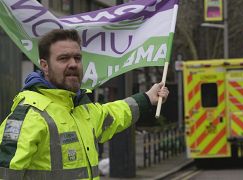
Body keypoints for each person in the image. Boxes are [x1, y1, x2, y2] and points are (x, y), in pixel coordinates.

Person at [0, 29, 169, 180]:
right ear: (45, 65)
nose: (73, 64)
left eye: (77, 58)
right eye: (63, 58)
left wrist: (147, 98)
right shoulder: (29, 115)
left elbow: (117, 113)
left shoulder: (83, 110)